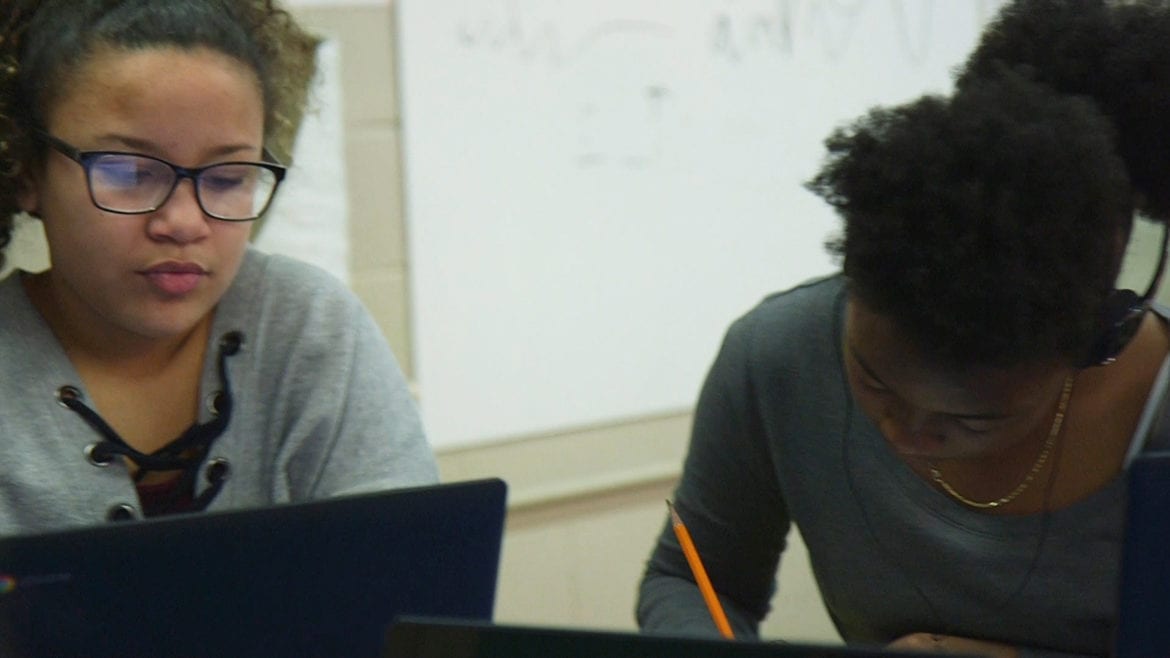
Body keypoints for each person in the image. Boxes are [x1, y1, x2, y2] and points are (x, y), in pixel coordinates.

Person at [636, 2, 1170, 656]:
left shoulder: (1159, 405)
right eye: (872, 381)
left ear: (1092, 336)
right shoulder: (777, 356)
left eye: (975, 419)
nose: (907, 435)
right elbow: (691, 579)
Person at [0, 0, 438, 533]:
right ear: (27, 172)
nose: (184, 222)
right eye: (132, 171)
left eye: (228, 179)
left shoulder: (310, 331)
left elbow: (409, 588)